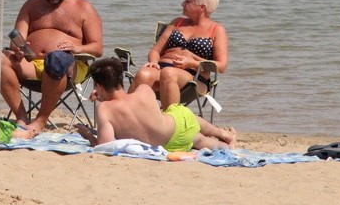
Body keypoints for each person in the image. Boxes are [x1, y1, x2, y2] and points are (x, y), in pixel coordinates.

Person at [0, 0, 104, 135]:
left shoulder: (84, 8)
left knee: (56, 59)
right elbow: (17, 38)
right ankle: (22, 117)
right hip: (32, 63)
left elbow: (97, 48)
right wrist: (18, 48)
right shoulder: (31, 6)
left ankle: (41, 120)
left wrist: (76, 47)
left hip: (70, 66)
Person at [76, 58, 236, 151]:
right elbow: (132, 109)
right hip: (177, 126)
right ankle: (224, 135)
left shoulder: (104, 109)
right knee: (179, 113)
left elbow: (105, 146)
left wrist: (88, 135)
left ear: (99, 87)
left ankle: (225, 145)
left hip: (170, 144)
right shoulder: (144, 90)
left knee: (200, 141)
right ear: (120, 80)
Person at [130, 0, 228, 110]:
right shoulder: (177, 23)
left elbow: (221, 66)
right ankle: (123, 117)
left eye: (187, 1)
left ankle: (171, 122)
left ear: (201, 7)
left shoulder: (216, 30)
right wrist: (154, 62)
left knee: (169, 73)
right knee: (144, 74)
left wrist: (191, 63)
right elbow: (155, 50)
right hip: (162, 68)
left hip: (194, 77)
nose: (182, 4)